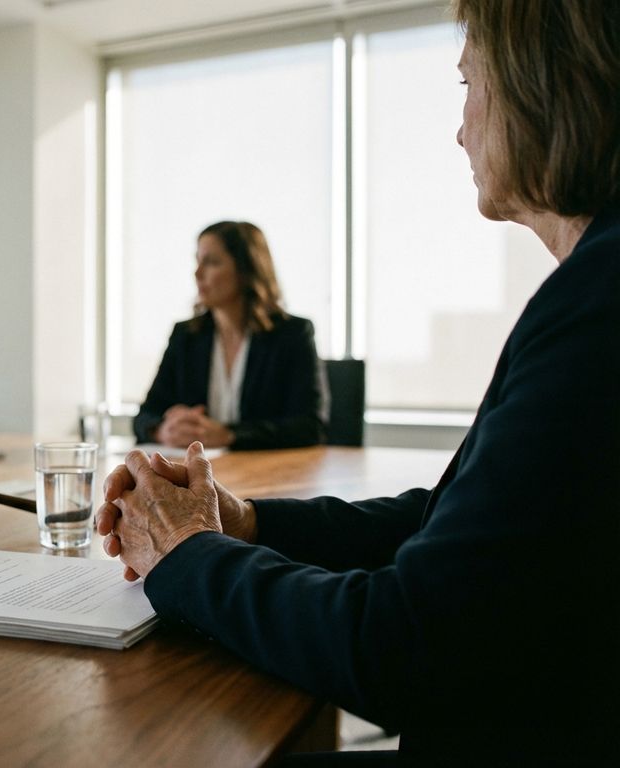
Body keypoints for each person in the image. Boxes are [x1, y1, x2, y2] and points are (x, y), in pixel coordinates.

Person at [96, 2, 619, 765]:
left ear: (541, 84)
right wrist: (247, 522)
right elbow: (448, 525)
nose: (460, 130)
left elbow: (402, 646)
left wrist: (187, 551)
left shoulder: (597, 308)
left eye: (468, 83)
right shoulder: (591, 289)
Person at [133, 221, 328, 450]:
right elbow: (144, 416)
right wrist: (162, 430)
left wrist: (229, 435)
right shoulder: (186, 336)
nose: (197, 273)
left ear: (247, 270)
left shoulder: (292, 334)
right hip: (196, 469)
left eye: (212, 262)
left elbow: (311, 427)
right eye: (197, 261)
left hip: (267, 469)